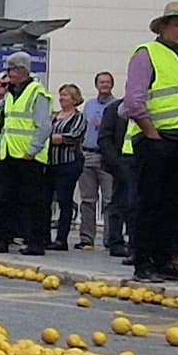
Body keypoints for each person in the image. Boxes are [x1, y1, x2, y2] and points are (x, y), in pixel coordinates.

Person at [123, 1, 178, 279]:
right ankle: (143, 261)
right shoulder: (147, 53)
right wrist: (151, 132)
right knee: (150, 203)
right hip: (157, 139)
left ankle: (167, 259)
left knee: (174, 205)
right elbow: (134, 100)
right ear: (163, 27)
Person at [0, 59, 52, 253]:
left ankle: (36, 242)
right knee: (3, 199)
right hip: (8, 155)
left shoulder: (37, 93)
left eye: (11, 70)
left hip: (29, 157)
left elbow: (44, 126)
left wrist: (32, 150)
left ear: (21, 71)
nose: (9, 74)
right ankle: (2, 239)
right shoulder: (10, 95)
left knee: (33, 201)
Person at [67, 71, 119, 253]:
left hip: (106, 157)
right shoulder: (89, 106)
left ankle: (110, 238)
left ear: (112, 85)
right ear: (96, 85)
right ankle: (86, 238)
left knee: (109, 200)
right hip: (88, 154)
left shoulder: (117, 106)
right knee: (87, 200)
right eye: (101, 82)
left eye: (107, 82)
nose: (104, 85)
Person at [46, 82, 89, 247]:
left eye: (65, 95)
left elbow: (72, 137)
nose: (62, 98)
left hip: (68, 164)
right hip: (50, 163)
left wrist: (55, 138)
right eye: (61, 94)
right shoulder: (53, 115)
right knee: (46, 200)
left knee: (65, 201)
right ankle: (44, 236)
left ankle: (61, 238)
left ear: (74, 99)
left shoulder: (78, 117)